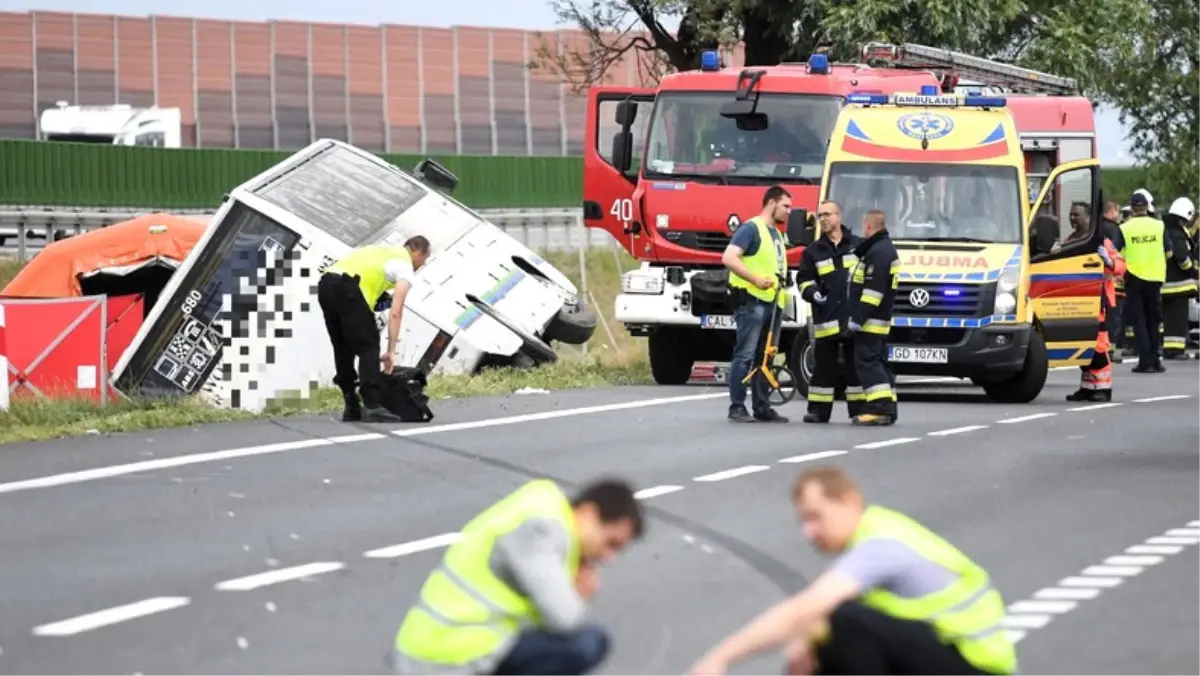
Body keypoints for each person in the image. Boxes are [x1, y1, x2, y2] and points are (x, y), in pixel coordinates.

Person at [685, 466, 1016, 676]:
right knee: (829, 631)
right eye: (803, 521)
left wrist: (720, 659)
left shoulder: (880, 542)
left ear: (849, 500)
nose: (809, 532)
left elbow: (805, 608)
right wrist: (809, 638)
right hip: (950, 660)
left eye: (816, 517)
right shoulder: (877, 532)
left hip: (978, 668)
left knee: (845, 620)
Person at [390, 477, 645, 676]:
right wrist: (578, 593)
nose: (609, 557)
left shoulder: (546, 509)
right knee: (588, 642)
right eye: (611, 543)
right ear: (589, 513)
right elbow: (565, 620)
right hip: (445, 657)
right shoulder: (541, 529)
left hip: (447, 645)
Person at [318, 236, 431, 422]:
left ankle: (351, 404)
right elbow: (396, 312)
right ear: (418, 253)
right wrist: (391, 351)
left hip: (326, 286)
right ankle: (372, 404)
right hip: (349, 288)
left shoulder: (379, 251)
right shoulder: (404, 266)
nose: (422, 264)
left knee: (342, 347)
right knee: (368, 346)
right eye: (424, 259)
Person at [722, 185, 792, 423]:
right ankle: (737, 406)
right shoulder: (751, 229)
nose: (788, 212)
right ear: (771, 203)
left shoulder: (777, 234)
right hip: (753, 300)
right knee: (745, 355)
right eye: (786, 206)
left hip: (772, 302)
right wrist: (755, 279)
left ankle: (762, 406)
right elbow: (729, 257)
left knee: (766, 357)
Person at [794, 199, 863, 423]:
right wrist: (812, 292)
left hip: (853, 318)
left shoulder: (858, 246)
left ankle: (859, 411)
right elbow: (803, 279)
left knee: (856, 367)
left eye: (827, 214)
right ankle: (818, 411)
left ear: (839, 217)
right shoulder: (813, 251)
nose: (822, 219)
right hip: (826, 319)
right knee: (823, 368)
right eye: (819, 215)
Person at [845, 209, 899, 426]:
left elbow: (873, 293)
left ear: (868, 226)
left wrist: (857, 319)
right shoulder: (883, 249)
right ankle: (888, 406)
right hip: (878, 321)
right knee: (879, 363)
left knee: (867, 363)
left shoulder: (879, 252)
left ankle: (879, 409)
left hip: (871, 322)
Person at [1066, 207, 1126, 402]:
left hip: (1098, 299)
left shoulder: (1101, 242)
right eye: (1071, 214)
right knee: (1083, 346)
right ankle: (1088, 387)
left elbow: (1121, 266)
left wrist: (1108, 260)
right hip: (1077, 300)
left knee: (1099, 346)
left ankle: (1103, 388)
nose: (1072, 218)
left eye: (1077, 214)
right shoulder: (1070, 240)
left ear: (1089, 218)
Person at [1119, 192, 1171, 373]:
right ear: (1147, 207)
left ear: (1132, 208)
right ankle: (1156, 360)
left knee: (1139, 321)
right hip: (1155, 278)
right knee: (1154, 321)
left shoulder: (1125, 228)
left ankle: (1145, 361)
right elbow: (1169, 252)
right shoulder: (1159, 226)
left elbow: (1116, 251)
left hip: (1134, 278)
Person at [1160, 197, 1197, 360]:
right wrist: (1193, 271)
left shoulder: (1167, 230)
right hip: (1178, 284)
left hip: (1167, 282)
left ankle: (1170, 349)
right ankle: (1175, 351)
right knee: (1178, 318)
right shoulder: (1177, 234)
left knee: (1170, 318)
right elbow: (1182, 257)